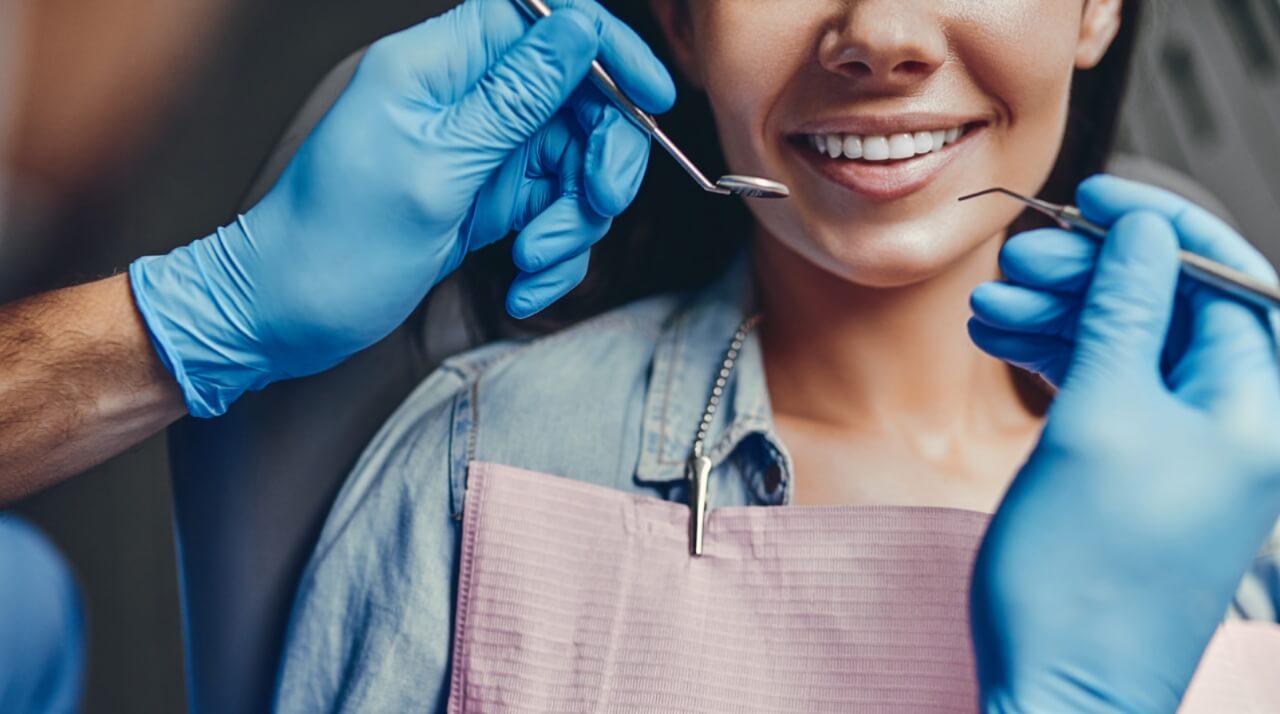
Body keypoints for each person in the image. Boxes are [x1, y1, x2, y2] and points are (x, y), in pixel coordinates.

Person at [272, 1, 1280, 712]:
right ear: (679, 19)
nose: (879, 38)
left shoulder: (1250, 525)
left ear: (1095, 7)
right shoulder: (481, 467)